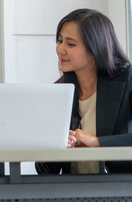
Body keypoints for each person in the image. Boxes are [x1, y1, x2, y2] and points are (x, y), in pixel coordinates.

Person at [36, 9, 132, 174]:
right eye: (60, 41)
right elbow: (44, 169)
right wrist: (54, 146)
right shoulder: (57, 91)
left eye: (71, 44)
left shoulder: (128, 80)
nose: (60, 50)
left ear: (96, 49)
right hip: (73, 190)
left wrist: (97, 142)